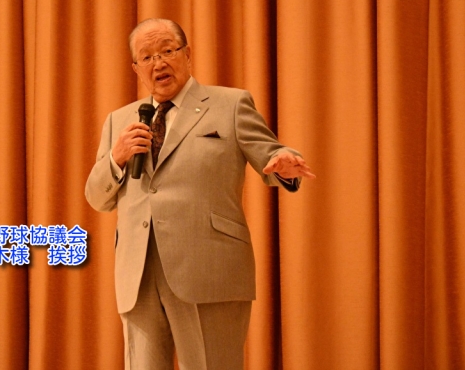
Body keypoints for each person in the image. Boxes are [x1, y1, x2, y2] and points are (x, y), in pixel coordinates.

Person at [85, 18, 315, 370]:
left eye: (167, 51)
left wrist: (282, 162)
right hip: (138, 274)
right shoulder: (121, 119)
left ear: (187, 54)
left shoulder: (230, 104)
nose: (158, 63)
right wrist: (116, 158)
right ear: (136, 68)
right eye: (147, 57)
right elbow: (96, 196)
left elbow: (270, 153)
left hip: (209, 268)